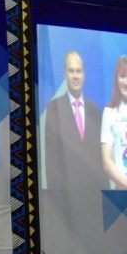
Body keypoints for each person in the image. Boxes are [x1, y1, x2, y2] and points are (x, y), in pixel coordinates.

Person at [44, 50, 106, 190]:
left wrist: (105, 196)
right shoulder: (54, 109)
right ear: (65, 75)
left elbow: (100, 160)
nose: (75, 76)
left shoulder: (95, 110)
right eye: (71, 71)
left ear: (84, 75)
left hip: (93, 193)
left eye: (78, 71)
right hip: (67, 195)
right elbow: (51, 161)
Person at [100, 55, 127, 190]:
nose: (125, 82)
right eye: (122, 76)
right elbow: (106, 161)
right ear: (116, 79)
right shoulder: (109, 112)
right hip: (121, 191)